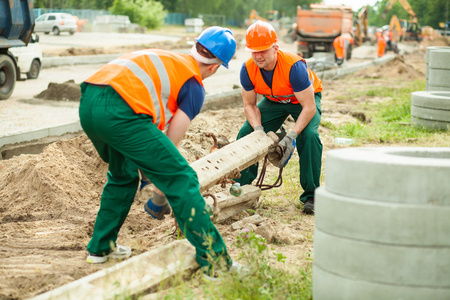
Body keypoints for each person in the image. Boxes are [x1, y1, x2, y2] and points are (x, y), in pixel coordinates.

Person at [79, 26, 242, 276]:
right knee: (182, 178)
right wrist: (161, 185)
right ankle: (217, 264)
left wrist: (149, 176)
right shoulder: (194, 86)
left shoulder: (170, 61)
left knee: (123, 175)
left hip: (89, 100)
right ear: (215, 66)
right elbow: (172, 141)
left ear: (194, 48)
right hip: (122, 112)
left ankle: (101, 249)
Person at [234, 21, 323, 215]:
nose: (258, 56)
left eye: (263, 50)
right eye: (253, 51)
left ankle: (312, 195)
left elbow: (308, 107)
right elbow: (249, 105)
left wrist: (291, 135)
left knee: (309, 136)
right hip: (274, 100)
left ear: (275, 47)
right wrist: (258, 130)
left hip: (303, 100)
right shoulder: (248, 69)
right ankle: (241, 188)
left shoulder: (294, 66)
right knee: (246, 132)